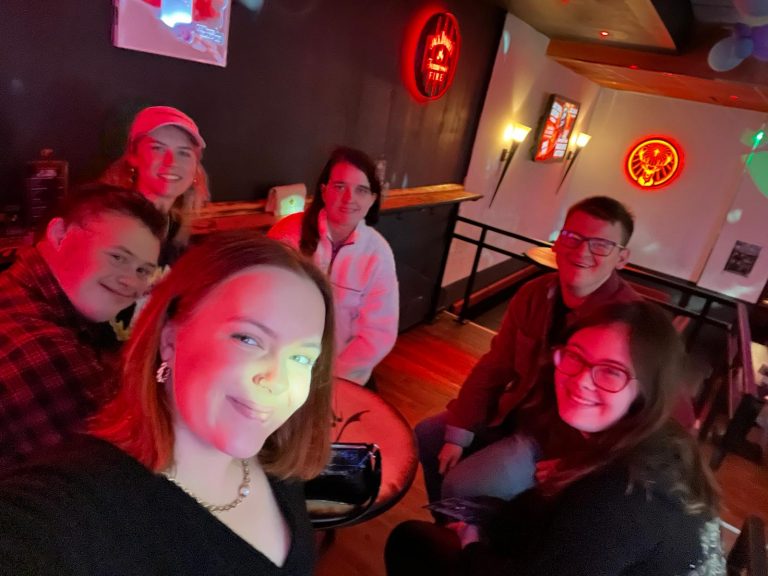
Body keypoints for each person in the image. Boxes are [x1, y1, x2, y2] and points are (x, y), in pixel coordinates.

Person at [0, 233, 335, 575]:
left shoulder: (277, 465)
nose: (278, 381)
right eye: (248, 339)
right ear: (170, 339)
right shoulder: (72, 508)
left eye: (301, 358)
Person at [386, 301, 721, 576]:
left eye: (611, 371)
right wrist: (489, 524)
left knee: (411, 542)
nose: (581, 380)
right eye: (575, 356)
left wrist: (471, 546)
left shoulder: (621, 495)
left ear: (647, 390)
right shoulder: (656, 440)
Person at [417, 196, 641, 503]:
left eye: (600, 244)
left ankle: (478, 529)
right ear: (557, 243)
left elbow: (654, 419)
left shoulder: (632, 322)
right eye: (572, 237)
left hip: (556, 442)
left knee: (461, 485)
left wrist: (580, 462)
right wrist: (460, 428)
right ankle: (454, 524)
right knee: (429, 436)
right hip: (513, 412)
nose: (582, 251)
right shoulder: (535, 294)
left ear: (622, 258)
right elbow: (495, 366)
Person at [0, 184, 165, 468]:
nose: (130, 282)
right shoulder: (41, 349)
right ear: (58, 234)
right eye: (117, 257)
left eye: (142, 271)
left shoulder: (18, 290)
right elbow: (124, 472)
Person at [269, 146, 398, 387]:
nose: (349, 199)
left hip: (344, 378)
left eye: (361, 190)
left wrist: (333, 379)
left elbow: (378, 333)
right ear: (324, 191)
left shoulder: (378, 253)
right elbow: (263, 302)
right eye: (340, 187)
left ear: (372, 199)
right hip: (281, 369)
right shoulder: (287, 233)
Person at [101, 105, 209, 267]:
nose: (171, 162)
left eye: (183, 153)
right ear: (133, 156)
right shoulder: (110, 222)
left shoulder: (175, 226)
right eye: (158, 148)